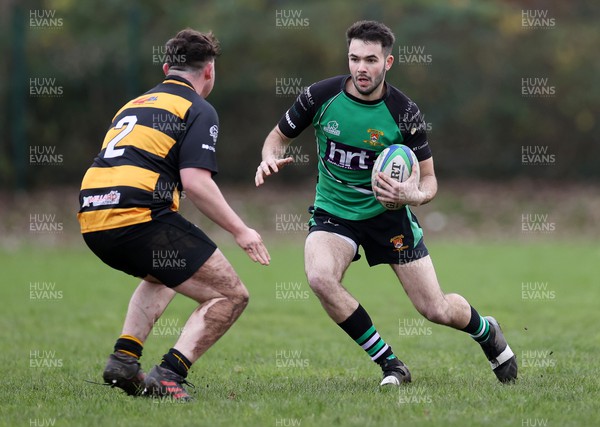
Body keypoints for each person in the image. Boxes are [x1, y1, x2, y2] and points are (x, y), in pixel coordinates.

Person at [255, 20, 517, 385]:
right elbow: (277, 137)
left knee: (435, 309)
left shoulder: (404, 112)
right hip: (335, 212)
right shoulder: (319, 97)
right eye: (355, 59)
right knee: (320, 277)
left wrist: (413, 196)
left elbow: (429, 180)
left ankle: (486, 331)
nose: (362, 68)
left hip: (389, 215)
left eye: (371, 60)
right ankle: (392, 364)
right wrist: (269, 156)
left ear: (387, 63)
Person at [78, 28, 270, 401]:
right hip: (138, 214)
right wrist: (240, 230)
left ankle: (124, 359)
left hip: (91, 216)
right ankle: (169, 375)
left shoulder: (132, 105)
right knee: (231, 295)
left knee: (164, 272)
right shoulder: (198, 108)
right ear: (209, 72)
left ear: (167, 68)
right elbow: (196, 183)